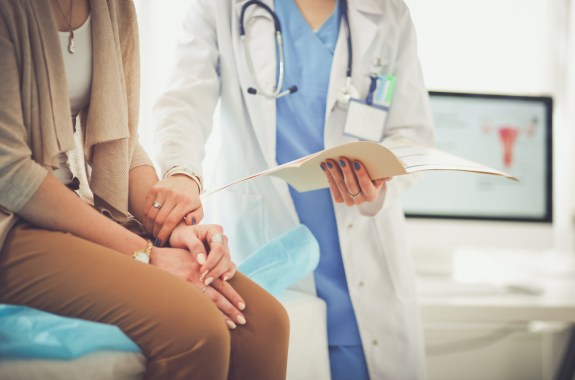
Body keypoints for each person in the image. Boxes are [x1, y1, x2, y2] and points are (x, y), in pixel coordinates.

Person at [0, 1, 289, 379]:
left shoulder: (112, 8)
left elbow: (120, 139)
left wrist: (168, 224)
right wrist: (146, 254)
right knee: (197, 328)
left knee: (266, 324)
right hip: (12, 222)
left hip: (73, 205)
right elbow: (10, 172)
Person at [151, 0, 433, 378]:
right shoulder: (223, 7)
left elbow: (412, 132)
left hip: (362, 267)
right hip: (267, 247)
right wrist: (181, 172)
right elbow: (184, 99)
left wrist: (381, 179)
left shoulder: (387, 12)